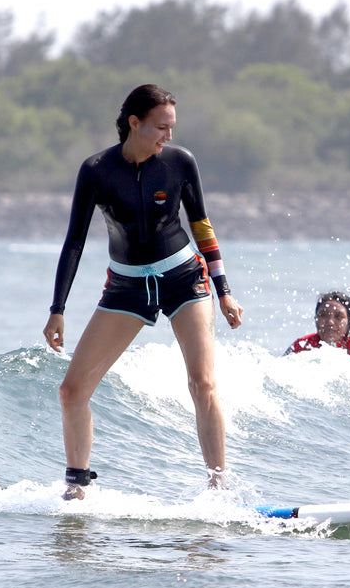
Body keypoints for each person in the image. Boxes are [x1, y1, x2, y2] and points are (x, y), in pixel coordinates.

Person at [43, 84, 244, 500]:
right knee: (72, 390)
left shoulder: (179, 162)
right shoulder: (97, 170)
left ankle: (218, 488)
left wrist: (223, 290)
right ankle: (77, 490)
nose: (167, 136)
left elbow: (202, 225)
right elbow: (74, 241)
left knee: (201, 382)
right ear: (134, 123)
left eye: (171, 127)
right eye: (160, 127)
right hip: (126, 285)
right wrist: (58, 308)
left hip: (184, 277)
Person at [285, 291, 350, 356]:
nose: (330, 322)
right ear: (315, 319)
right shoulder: (301, 345)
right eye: (323, 315)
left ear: (349, 322)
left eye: (338, 316)